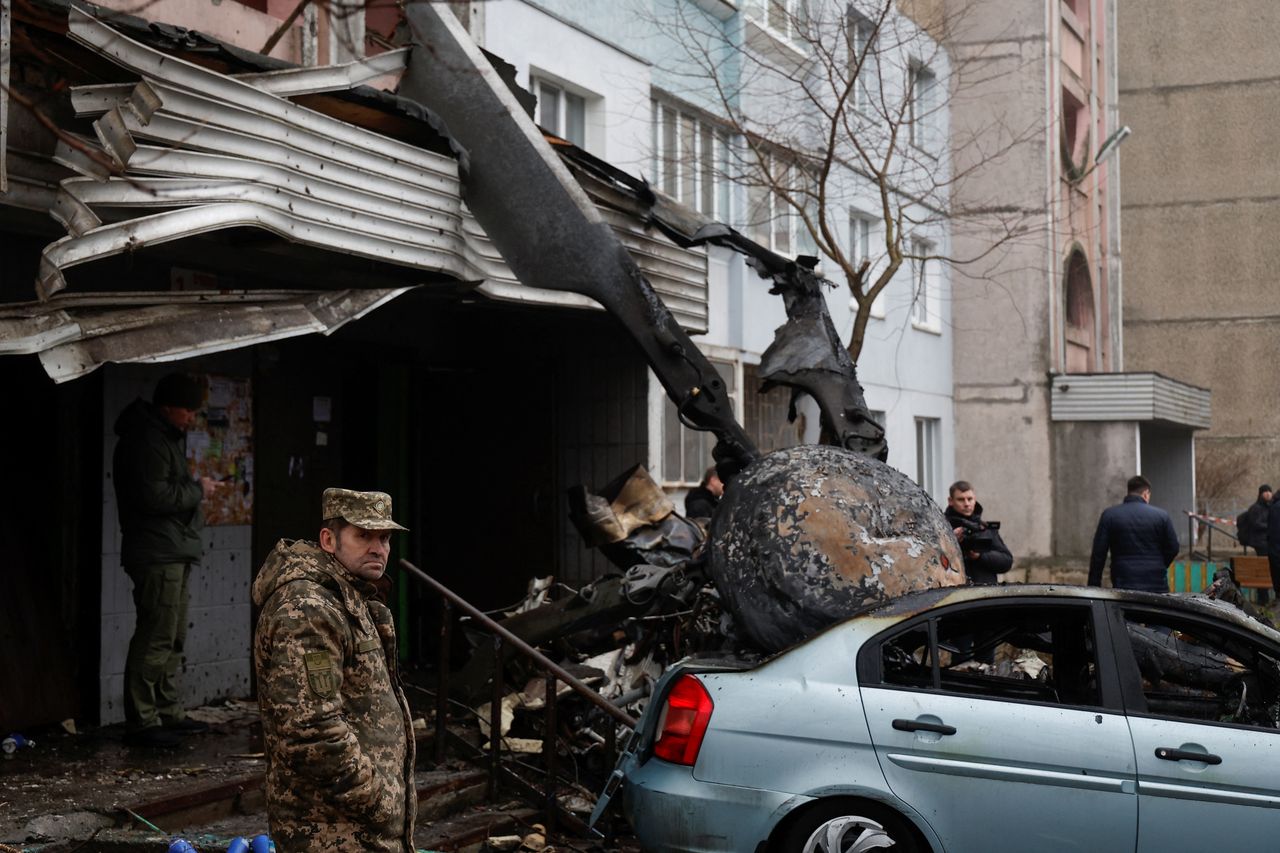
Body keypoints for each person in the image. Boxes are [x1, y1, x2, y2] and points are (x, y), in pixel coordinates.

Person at [253, 488, 416, 852]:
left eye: (384, 538)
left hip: (358, 830)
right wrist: (378, 799)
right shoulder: (308, 608)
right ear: (329, 539)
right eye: (363, 535)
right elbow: (310, 729)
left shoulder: (348, 598)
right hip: (330, 832)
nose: (378, 548)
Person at [112, 372, 220, 748]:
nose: (192, 417)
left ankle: (166, 710)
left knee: (172, 635)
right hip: (157, 552)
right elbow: (154, 497)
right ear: (169, 407)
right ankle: (143, 719)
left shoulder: (161, 437)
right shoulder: (147, 441)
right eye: (188, 410)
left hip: (171, 549)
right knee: (156, 635)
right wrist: (197, 490)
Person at [1087, 475, 1180, 592]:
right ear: (1146, 493)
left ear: (1129, 491)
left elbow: (1099, 554)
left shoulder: (1110, 515)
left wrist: (1093, 586)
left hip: (1123, 580)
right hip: (1156, 583)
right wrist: (1159, 564)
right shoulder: (1162, 516)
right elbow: (1173, 547)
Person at [943, 480, 1013, 585]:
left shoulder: (984, 528)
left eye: (969, 499)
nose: (966, 504)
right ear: (950, 501)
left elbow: (1006, 561)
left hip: (984, 594)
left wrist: (980, 556)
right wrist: (952, 542)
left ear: (975, 499)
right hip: (953, 593)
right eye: (961, 499)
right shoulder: (943, 528)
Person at [1237, 484, 1272, 555]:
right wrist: (1270, 526)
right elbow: (1255, 523)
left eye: (1269, 491)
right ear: (1261, 494)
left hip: (1268, 539)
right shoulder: (1256, 508)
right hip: (1260, 541)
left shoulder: (1270, 507)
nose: (1268, 494)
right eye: (1265, 491)